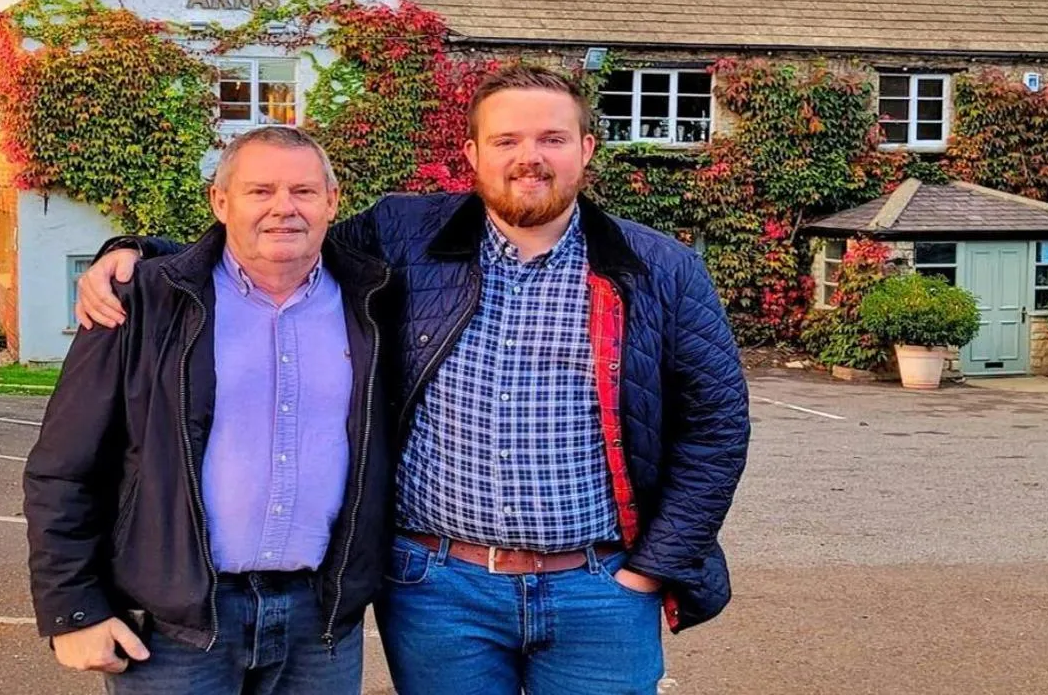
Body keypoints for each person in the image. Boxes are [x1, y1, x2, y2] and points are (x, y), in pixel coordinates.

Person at [78, 63, 751, 695]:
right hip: (439, 592)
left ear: (586, 149)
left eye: (552, 138)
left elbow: (716, 427)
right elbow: (279, 241)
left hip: (600, 589)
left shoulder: (661, 268)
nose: (530, 157)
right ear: (473, 154)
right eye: (507, 140)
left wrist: (652, 569)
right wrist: (139, 255)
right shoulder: (404, 235)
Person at [24, 125, 391, 694]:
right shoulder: (142, 299)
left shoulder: (374, 302)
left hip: (319, 622)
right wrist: (73, 609)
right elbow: (63, 466)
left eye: (303, 191)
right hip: (177, 628)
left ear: (332, 202)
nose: (283, 208)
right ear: (220, 202)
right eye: (259, 191)